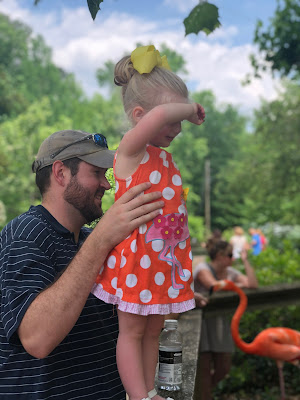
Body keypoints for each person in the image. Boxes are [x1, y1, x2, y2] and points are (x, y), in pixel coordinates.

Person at [0, 129, 165, 399]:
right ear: (61, 173)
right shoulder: (25, 235)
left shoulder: (90, 240)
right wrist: (101, 240)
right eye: (96, 173)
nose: (107, 184)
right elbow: (37, 339)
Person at [91, 44, 205, 400]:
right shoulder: (131, 152)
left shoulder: (162, 158)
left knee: (153, 331)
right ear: (140, 116)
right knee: (132, 332)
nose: (179, 126)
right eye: (173, 118)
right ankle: (137, 395)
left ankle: (149, 390)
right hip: (136, 264)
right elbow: (158, 120)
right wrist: (190, 107)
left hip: (162, 263)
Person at [193, 238, 258, 400]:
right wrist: (235, 286)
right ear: (220, 256)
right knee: (204, 370)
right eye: (230, 255)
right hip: (199, 322)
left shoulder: (230, 273)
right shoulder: (203, 269)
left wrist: (245, 260)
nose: (232, 258)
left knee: (223, 368)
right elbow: (214, 286)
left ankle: (202, 392)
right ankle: (203, 394)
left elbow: (253, 284)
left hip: (219, 322)